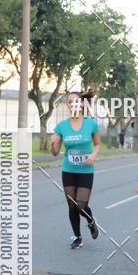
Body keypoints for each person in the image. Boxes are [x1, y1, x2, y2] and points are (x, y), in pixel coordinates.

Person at [51, 91, 101, 249]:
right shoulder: (61, 126)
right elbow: (54, 153)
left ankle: (91, 221)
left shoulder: (91, 124)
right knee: (71, 205)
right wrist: (53, 143)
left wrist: (93, 155)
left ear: (82, 104)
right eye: (69, 102)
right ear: (67, 105)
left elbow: (98, 144)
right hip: (69, 170)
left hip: (86, 170)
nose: (72, 104)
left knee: (80, 205)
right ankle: (77, 237)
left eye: (76, 101)